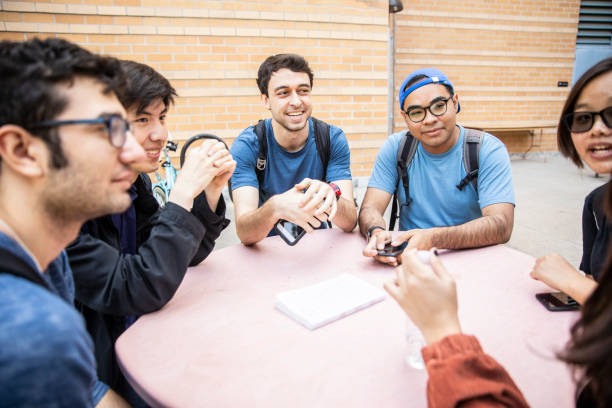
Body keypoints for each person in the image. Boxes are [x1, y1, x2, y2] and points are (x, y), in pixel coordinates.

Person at [66, 60, 235, 405]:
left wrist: (210, 192)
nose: (161, 134)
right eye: (142, 120)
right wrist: (182, 193)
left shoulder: (135, 184)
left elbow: (175, 256)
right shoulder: (66, 210)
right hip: (97, 370)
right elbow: (135, 287)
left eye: (161, 118)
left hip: (142, 343)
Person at [0, 38, 145, 406]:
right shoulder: (33, 334)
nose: (136, 152)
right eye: (109, 128)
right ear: (23, 150)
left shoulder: (50, 259)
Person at [359, 67, 515, 266]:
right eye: (416, 112)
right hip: (408, 260)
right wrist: (377, 233)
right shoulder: (397, 148)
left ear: (455, 102)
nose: (430, 119)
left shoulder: (487, 150)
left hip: (471, 258)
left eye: (439, 106)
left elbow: (501, 225)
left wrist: (433, 238)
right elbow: (370, 207)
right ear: (405, 117)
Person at [230, 54, 357, 245]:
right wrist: (275, 207)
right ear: (265, 100)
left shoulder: (331, 139)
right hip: (266, 252)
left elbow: (350, 222)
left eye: (303, 91)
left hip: (318, 247)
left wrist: (331, 196)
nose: (296, 101)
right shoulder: (248, 145)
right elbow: (244, 232)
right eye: (283, 93)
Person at [530, 57, 612, 305]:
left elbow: (584, 287)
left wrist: (571, 282)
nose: (597, 128)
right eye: (583, 118)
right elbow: (593, 282)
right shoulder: (597, 203)